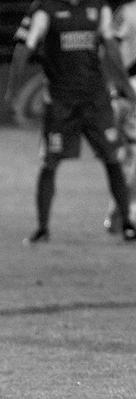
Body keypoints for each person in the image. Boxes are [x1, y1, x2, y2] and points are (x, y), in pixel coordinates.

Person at [5, 0, 136, 243]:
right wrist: (12, 90)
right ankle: (42, 229)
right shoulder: (45, 8)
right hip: (61, 103)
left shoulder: (98, 7)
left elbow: (111, 48)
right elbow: (25, 48)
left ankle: (127, 223)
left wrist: (124, 85)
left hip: (95, 100)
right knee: (49, 163)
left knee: (113, 159)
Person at [104, 0, 136, 233]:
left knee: (128, 155)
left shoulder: (127, 11)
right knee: (129, 153)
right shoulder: (128, 12)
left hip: (126, 89)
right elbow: (110, 46)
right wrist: (118, 87)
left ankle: (119, 213)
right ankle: (127, 213)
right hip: (131, 87)